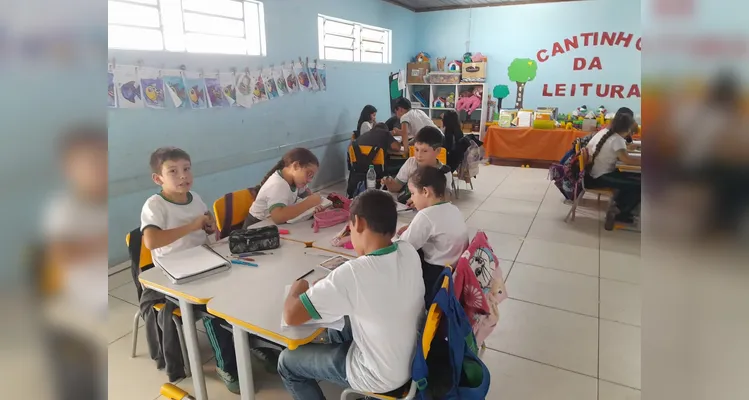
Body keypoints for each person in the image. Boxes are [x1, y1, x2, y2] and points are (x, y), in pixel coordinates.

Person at [279, 190, 424, 400]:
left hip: (379, 375)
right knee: (339, 324)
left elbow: (291, 316)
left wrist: (297, 288)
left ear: (358, 223)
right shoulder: (408, 250)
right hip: (411, 360)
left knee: (287, 362)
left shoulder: (354, 274)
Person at [140, 147, 241, 393]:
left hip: (205, 261)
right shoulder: (155, 205)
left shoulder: (194, 197)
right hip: (174, 273)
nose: (183, 175)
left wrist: (206, 227)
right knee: (214, 308)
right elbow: (151, 242)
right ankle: (226, 365)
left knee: (241, 288)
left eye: (187, 168)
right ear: (158, 178)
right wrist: (191, 225)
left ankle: (251, 342)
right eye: (173, 171)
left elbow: (205, 226)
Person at [398, 166, 468, 303]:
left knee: (401, 258)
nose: (412, 199)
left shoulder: (425, 215)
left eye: (412, 193)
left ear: (425, 192)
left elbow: (405, 245)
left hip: (436, 277)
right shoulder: (453, 208)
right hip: (455, 270)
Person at [584, 114, 641, 230]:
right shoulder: (617, 139)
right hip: (601, 177)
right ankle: (622, 213)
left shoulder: (604, 132)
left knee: (637, 178)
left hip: (593, 174)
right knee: (640, 185)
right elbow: (627, 160)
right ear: (627, 128)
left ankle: (618, 205)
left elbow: (616, 152)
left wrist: (627, 149)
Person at [243, 148, 322, 227]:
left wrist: (315, 206)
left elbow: (307, 194)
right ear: (296, 166)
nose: (310, 180)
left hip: (272, 224)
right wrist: (308, 203)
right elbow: (278, 217)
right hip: (255, 228)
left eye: (312, 177)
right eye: (309, 174)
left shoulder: (296, 181)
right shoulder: (278, 185)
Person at [382, 126, 453, 202]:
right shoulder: (411, 163)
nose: (419, 155)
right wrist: (389, 183)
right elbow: (397, 187)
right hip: (406, 207)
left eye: (425, 151)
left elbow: (446, 198)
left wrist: (422, 201)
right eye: (416, 149)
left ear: (438, 151)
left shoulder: (444, 172)